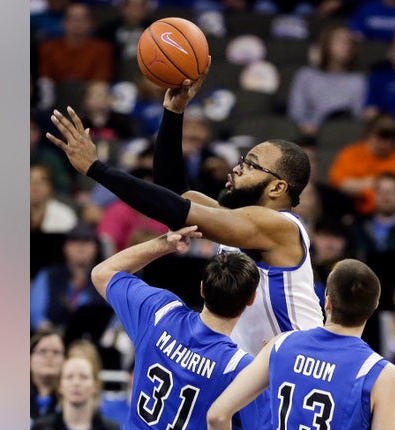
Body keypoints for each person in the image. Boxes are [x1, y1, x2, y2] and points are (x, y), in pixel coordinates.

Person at [46, 70, 324, 359]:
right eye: (242, 160)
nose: (237, 168)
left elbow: (177, 209)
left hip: (304, 372)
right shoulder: (239, 221)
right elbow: (175, 192)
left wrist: (96, 169)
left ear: (278, 187)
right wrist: (174, 111)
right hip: (266, 376)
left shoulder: (281, 226)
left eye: (251, 165)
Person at [88, 225, 275, 430]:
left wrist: (163, 244)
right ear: (250, 301)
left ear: (202, 289)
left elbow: (102, 273)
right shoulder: (241, 368)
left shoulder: (160, 312)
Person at [207, 259, 395, 430]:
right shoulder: (380, 372)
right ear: (373, 307)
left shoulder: (280, 346)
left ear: (327, 301)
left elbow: (217, 414)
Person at [287, 24, 366, 137]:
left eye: (349, 42)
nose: (346, 45)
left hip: (342, 136)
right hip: (308, 137)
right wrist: (306, 126)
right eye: (340, 40)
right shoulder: (306, 75)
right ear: (326, 44)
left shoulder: (358, 80)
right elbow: (295, 112)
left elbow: (358, 118)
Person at [30, 224, 108, 333]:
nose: (81, 246)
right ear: (65, 247)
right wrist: (52, 334)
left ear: (96, 248)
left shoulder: (105, 278)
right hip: (52, 337)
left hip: (92, 341)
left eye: (87, 241)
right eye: (75, 240)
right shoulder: (48, 275)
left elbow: (114, 316)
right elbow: (35, 314)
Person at [327, 114, 395, 217]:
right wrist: (383, 184)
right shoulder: (351, 154)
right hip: (356, 212)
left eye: (390, 138)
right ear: (369, 134)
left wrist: (364, 184)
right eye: (381, 137)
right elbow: (341, 184)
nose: (385, 143)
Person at [31, 331, 67, 420]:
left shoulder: (73, 400)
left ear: (65, 360)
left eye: (56, 352)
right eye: (43, 351)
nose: (49, 356)